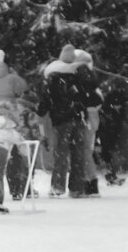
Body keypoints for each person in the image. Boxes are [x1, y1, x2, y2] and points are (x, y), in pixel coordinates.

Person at [38, 44, 91, 198]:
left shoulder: (52, 78)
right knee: (78, 154)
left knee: (61, 154)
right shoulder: (79, 77)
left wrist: (42, 110)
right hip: (78, 118)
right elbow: (88, 97)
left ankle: (57, 187)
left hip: (61, 121)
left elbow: (44, 102)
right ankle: (77, 188)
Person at [73, 49, 104, 197]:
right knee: (87, 150)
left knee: (84, 151)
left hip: (84, 116)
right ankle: (90, 183)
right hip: (93, 116)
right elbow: (99, 100)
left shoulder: (77, 78)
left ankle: (90, 183)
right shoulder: (92, 79)